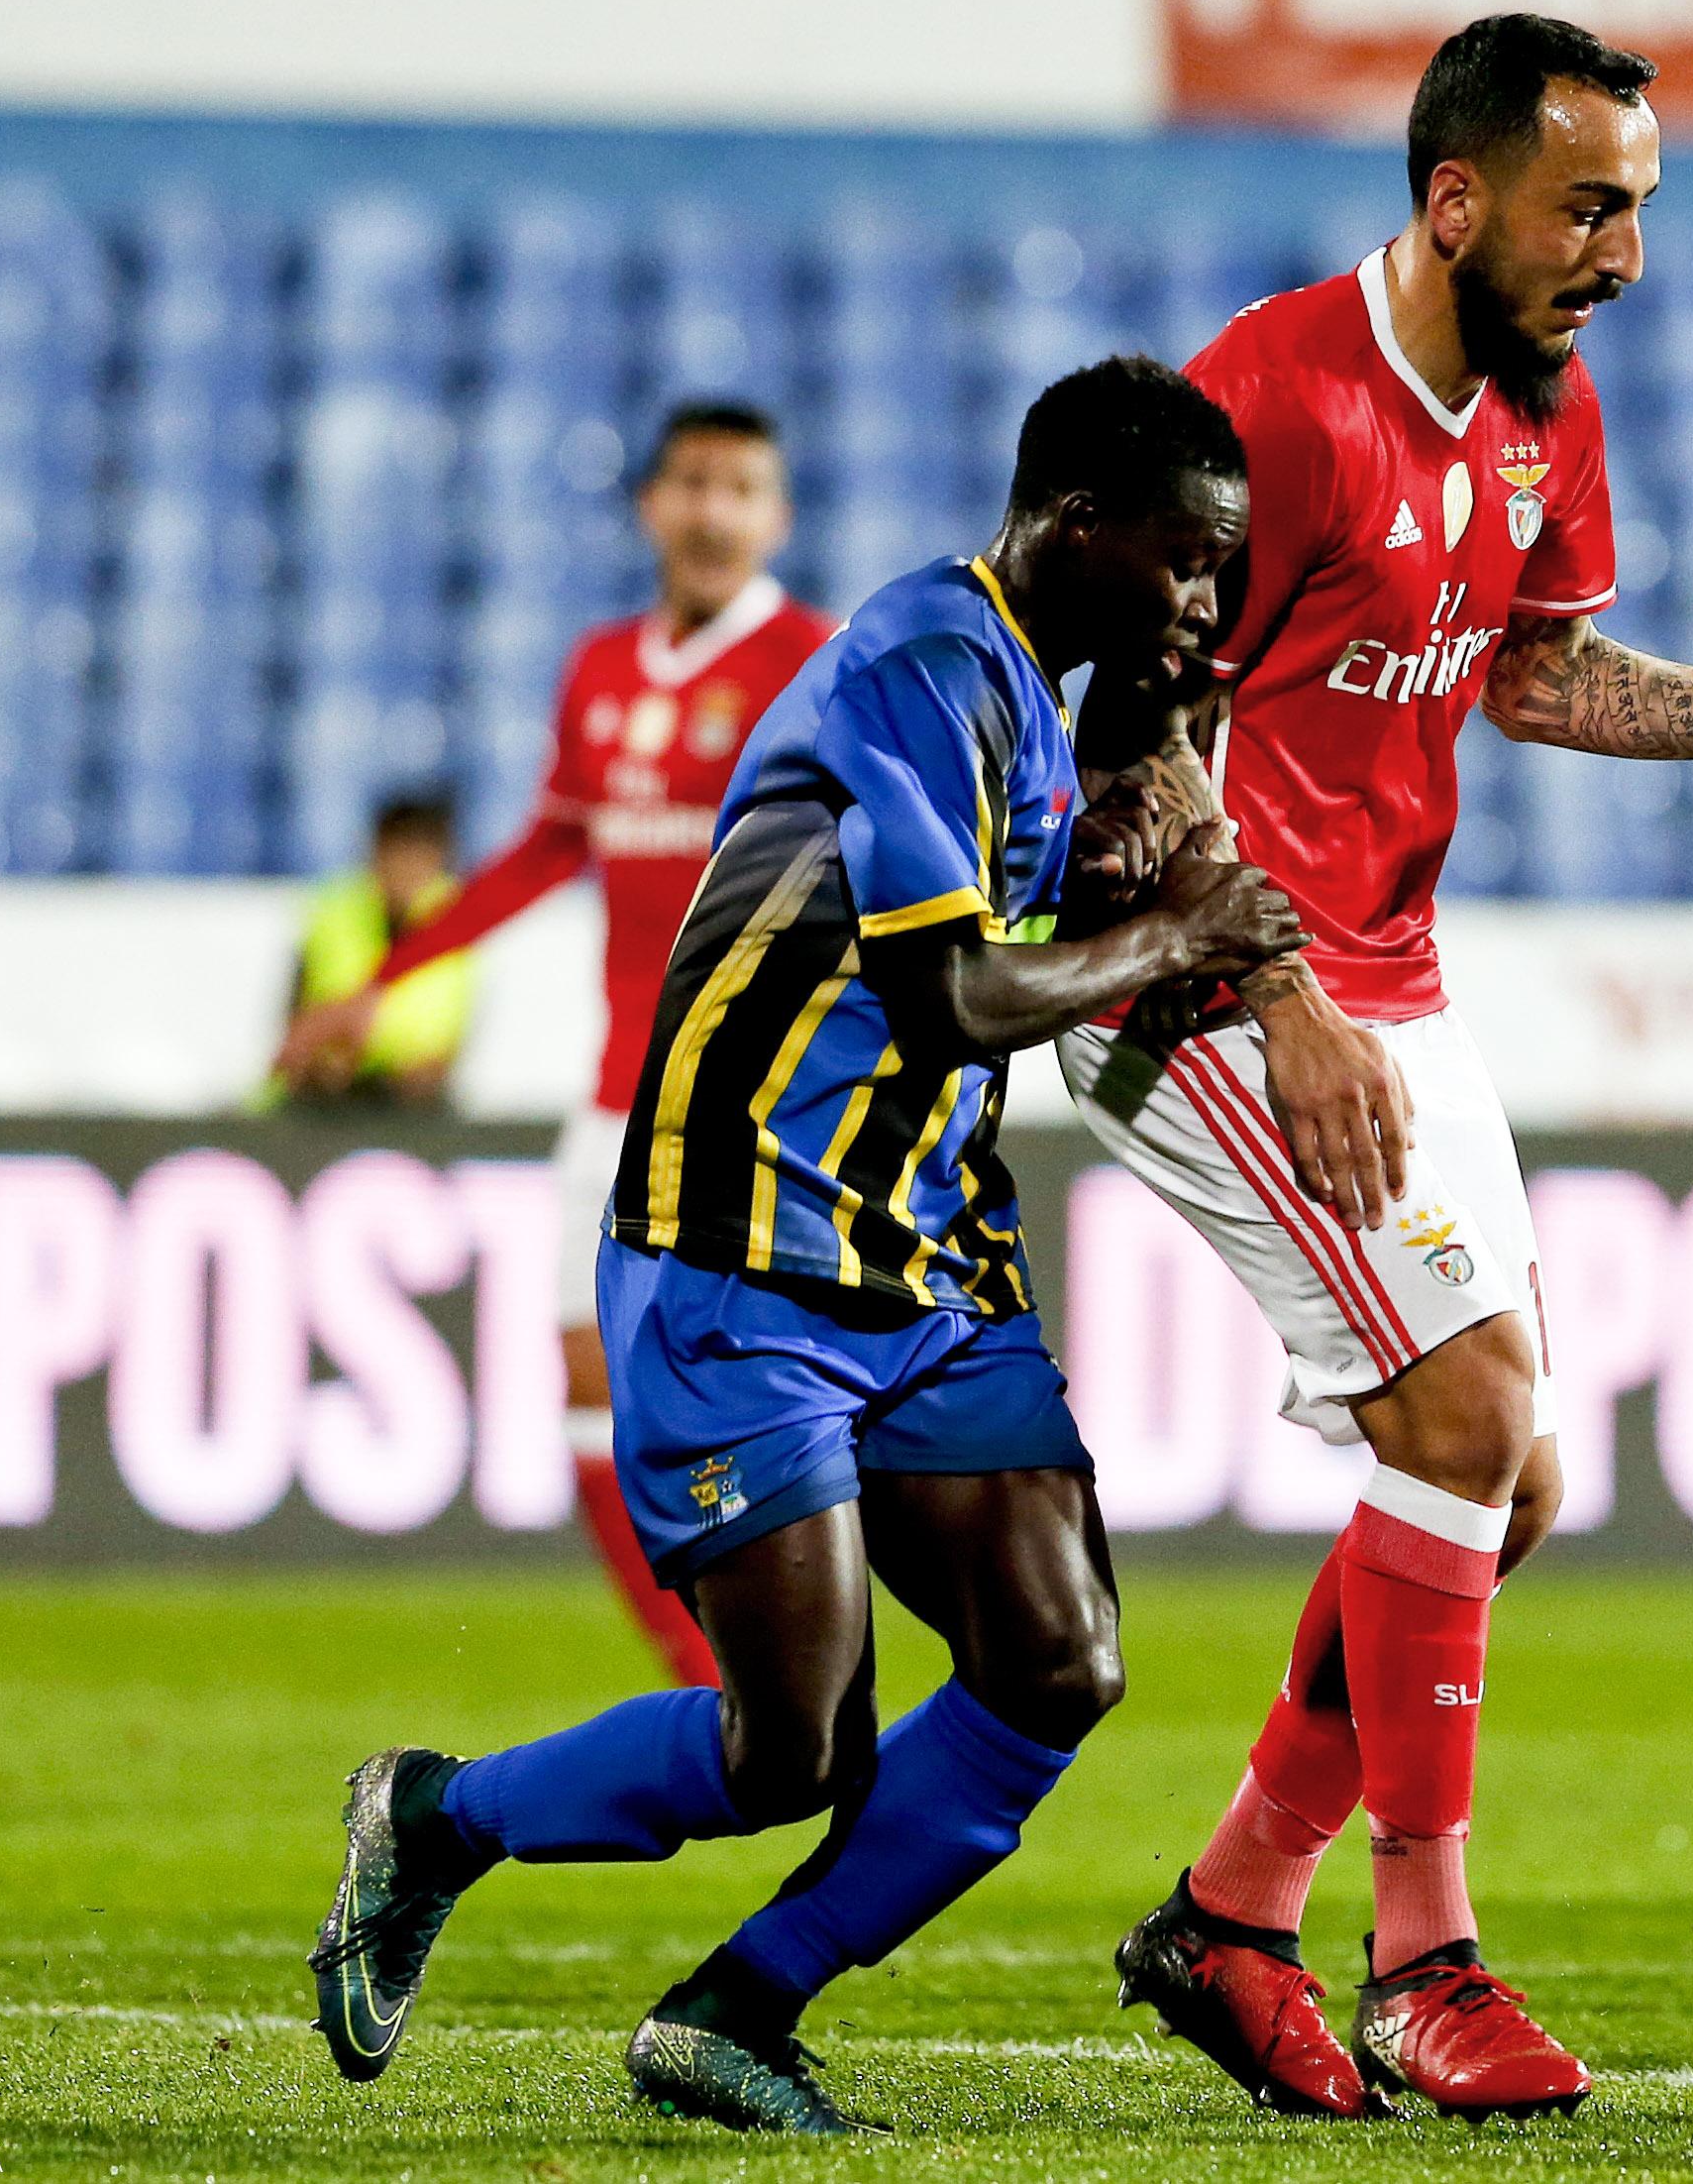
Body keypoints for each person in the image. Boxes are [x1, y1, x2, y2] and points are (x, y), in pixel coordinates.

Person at [1062, 13, 1693, 2122]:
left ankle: (1230, 1913)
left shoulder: (1532, 412)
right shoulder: (1271, 398)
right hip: (1193, 973)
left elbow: (1543, 672)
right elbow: (1124, 730)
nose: (1627, 256)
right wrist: (1278, 993)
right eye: (1592, 208)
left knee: (1518, 1487)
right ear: (1456, 198)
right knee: (1468, 1415)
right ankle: (1425, 1962)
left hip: (1381, 973)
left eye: (1644, 209)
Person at [307, 357, 1301, 2134]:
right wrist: (1170, 928)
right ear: (1079, 527)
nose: (1207, 600)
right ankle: (432, 1814)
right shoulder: (919, 664)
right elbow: (952, 994)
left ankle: (734, 2006)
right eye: (1190, 563)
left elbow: (1058, 960)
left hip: (924, 1256)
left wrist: (1166, 770)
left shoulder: (1030, 702)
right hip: (739, 1243)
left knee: (1058, 1652)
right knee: (794, 1748)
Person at [276, 400, 835, 1691]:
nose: (712, 510)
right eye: (691, 482)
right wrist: (383, 979)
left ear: (776, 517)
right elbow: (549, 847)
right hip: (620, 1095)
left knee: (755, 1391)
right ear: (651, 505)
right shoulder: (600, 669)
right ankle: (712, 1681)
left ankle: (792, 1666)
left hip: (760, 1098)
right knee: (586, 1383)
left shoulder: (813, 663)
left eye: (741, 486)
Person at [265, 794, 476, 1108]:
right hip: (327, 1096)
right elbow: (297, 1019)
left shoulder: (458, 920)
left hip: (413, 1103)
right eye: (399, 854)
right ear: (376, 852)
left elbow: (446, 1038)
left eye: (419, 857)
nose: (407, 871)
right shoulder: (333, 910)